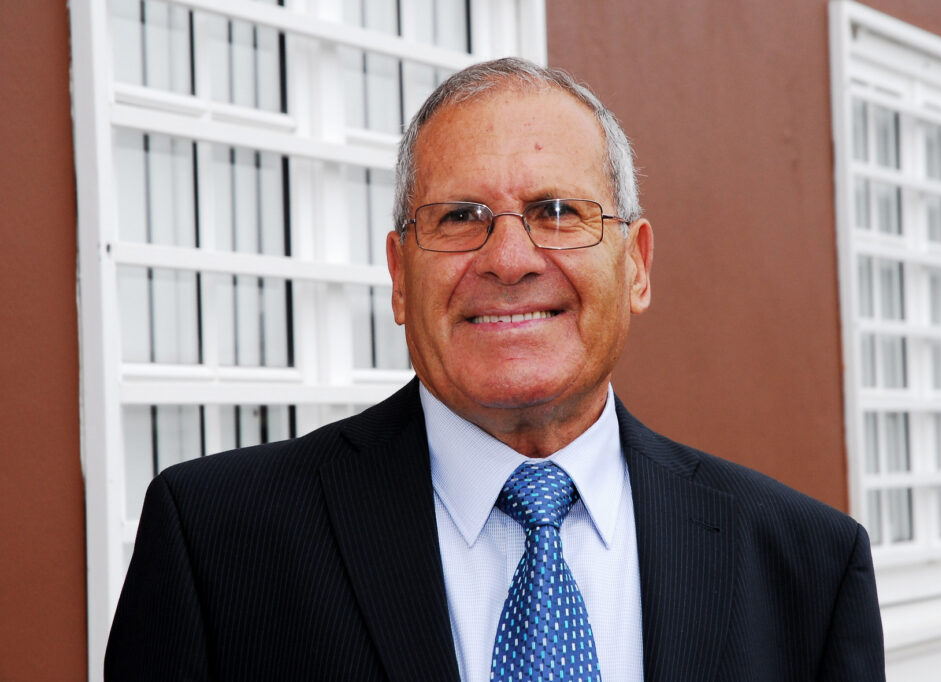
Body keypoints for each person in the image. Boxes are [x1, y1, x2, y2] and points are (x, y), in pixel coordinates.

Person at [105, 57, 885, 681]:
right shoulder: (217, 546)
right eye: (459, 217)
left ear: (637, 266)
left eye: (557, 212)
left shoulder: (808, 569)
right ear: (399, 278)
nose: (509, 259)